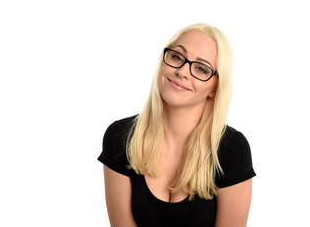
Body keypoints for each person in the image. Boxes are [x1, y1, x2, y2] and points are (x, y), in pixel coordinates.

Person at [98, 23, 256, 227]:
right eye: (177, 57)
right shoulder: (120, 137)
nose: (182, 71)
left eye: (201, 68)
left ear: (215, 88)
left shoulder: (232, 149)